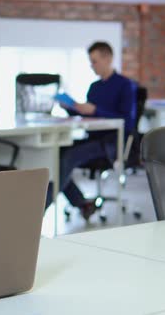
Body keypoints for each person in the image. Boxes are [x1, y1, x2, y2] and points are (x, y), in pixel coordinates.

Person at [58, 41, 136, 219]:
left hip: (111, 144)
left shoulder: (125, 85)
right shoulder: (94, 87)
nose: (92, 66)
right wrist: (70, 108)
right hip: (92, 139)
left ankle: (38, 211)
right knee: (57, 153)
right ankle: (82, 203)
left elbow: (127, 120)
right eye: (90, 61)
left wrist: (96, 110)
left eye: (95, 61)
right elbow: (88, 117)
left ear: (108, 58)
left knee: (70, 156)